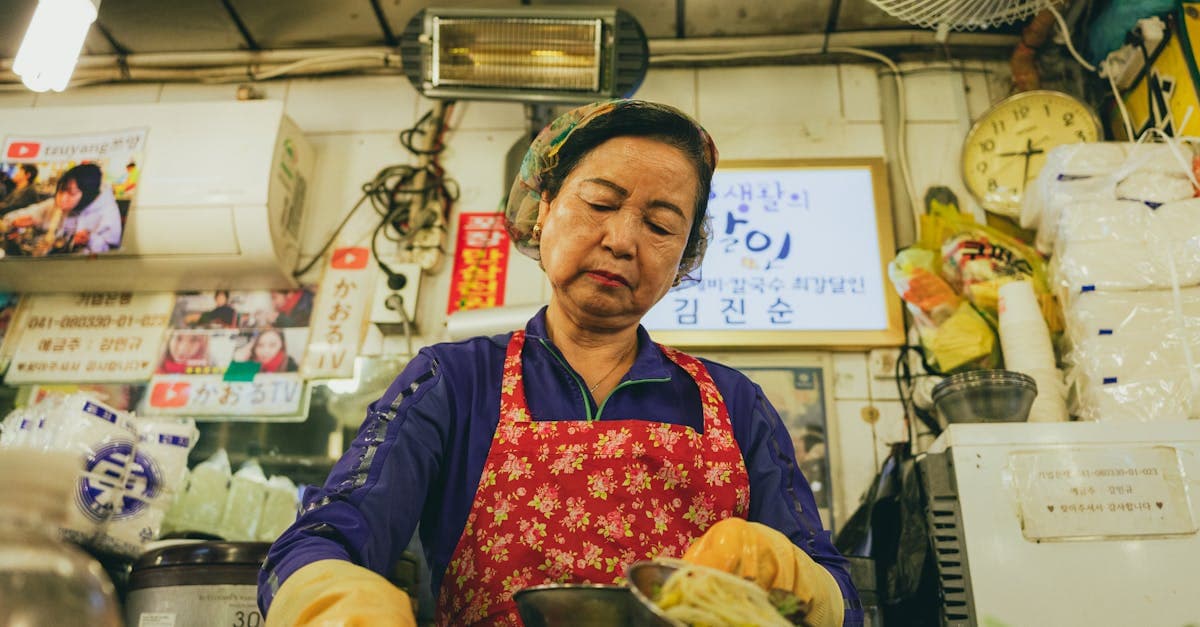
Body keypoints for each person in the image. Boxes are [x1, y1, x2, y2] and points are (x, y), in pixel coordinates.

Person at [259, 100, 859, 626]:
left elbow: (841, 601)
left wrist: (796, 580)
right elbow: (328, 533)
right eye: (599, 202)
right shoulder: (454, 381)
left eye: (659, 225)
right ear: (543, 209)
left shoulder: (734, 404)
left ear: (685, 255)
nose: (621, 240)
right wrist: (327, 595)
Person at [0, 163, 122, 256]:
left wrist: (91, 240)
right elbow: (15, 217)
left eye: (71, 193)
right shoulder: (52, 205)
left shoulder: (106, 213)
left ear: (87, 194)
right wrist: (15, 223)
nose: (62, 199)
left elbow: (110, 252)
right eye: (61, 190)